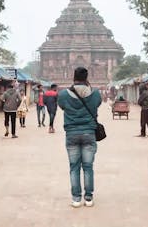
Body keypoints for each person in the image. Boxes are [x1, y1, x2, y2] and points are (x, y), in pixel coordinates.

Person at [58, 67, 101, 208]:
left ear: (73, 77)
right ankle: (88, 198)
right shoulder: (95, 94)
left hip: (71, 134)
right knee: (88, 167)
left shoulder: (64, 94)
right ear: (87, 78)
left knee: (74, 167)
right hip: (89, 133)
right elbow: (97, 104)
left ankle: (76, 199)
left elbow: (62, 106)